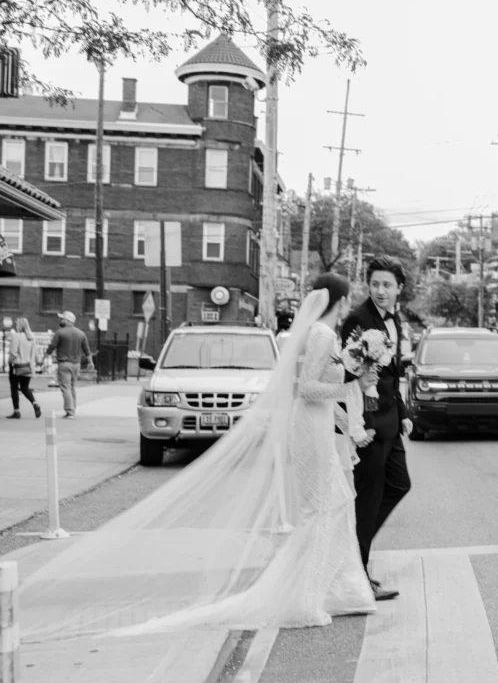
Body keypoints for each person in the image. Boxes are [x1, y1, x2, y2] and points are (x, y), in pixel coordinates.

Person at [18, 274, 377, 643]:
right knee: (321, 510)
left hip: (315, 424)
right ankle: (304, 599)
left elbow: (315, 392)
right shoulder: (323, 335)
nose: (350, 305)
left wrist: (350, 421)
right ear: (341, 300)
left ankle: (330, 587)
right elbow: (308, 389)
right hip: (310, 427)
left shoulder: (318, 334)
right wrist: (351, 379)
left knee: (334, 503)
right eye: (348, 299)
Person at [342, 255, 413, 602]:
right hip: (368, 425)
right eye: (375, 284)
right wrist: (360, 421)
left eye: (387, 285)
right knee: (367, 500)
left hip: (390, 421)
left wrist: (402, 412)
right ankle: (357, 572)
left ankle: (354, 546)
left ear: (399, 288)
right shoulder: (358, 318)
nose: (380, 291)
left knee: (400, 484)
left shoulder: (394, 319)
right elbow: (343, 371)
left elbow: (393, 373)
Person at [45, 311, 93, 419]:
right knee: (71, 387)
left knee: (65, 387)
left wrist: (44, 356)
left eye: (62, 319)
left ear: (67, 320)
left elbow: (52, 346)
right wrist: (91, 362)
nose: (60, 320)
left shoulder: (60, 332)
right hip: (76, 364)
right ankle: (72, 409)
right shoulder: (81, 333)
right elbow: (87, 350)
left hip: (64, 364)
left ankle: (70, 412)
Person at [8, 317, 41, 419]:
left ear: (19, 325)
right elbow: (36, 354)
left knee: (14, 388)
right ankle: (35, 403)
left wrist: (10, 361)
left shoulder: (15, 336)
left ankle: (16, 411)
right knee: (24, 388)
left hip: (16, 367)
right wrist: (38, 362)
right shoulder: (31, 337)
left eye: (16, 323)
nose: (15, 325)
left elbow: (13, 353)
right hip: (28, 367)